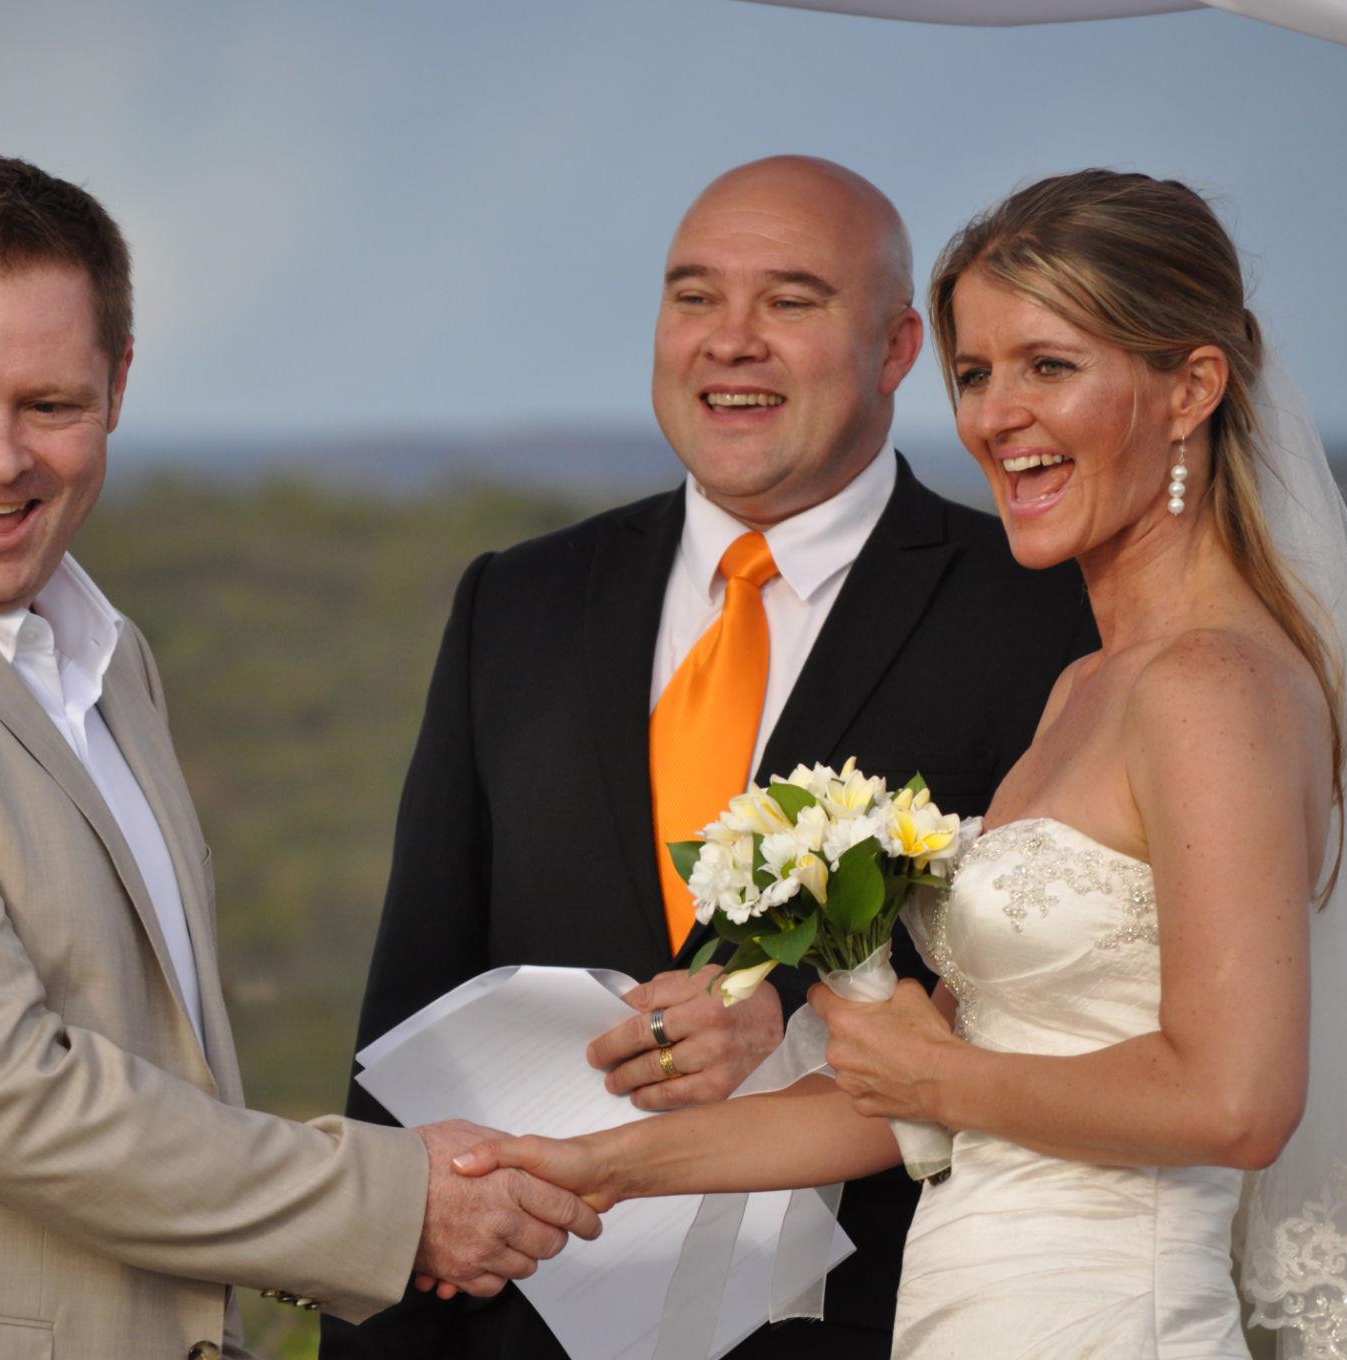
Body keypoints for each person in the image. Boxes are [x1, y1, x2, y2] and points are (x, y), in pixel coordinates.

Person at [454, 169, 1347, 1358]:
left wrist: (936, 1081)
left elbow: (1233, 1101)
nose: (995, 417)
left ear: (1190, 388)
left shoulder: (1210, 686)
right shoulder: (1086, 686)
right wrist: (585, 1167)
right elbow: (899, 1098)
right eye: (975, 373)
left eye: (1048, 366)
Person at [0, 155, 598, 1360]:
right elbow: (0, 1097)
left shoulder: (104, 653)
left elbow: (152, 1058)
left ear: (119, 386)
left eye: (48, 405)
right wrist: (396, 1206)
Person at [323, 156, 1095, 1359]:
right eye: (693, 297)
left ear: (897, 348)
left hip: (870, 1323)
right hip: (522, 1327)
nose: (729, 339)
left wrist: (784, 1002)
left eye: (789, 301)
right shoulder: (516, 601)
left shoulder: (1041, 617)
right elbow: (416, 999)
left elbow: (1063, 997)